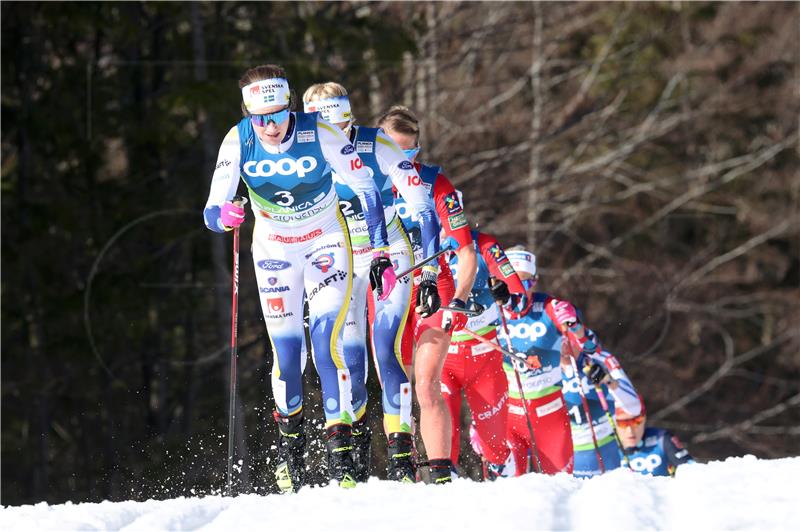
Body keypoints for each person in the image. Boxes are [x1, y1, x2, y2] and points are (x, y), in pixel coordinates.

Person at [203, 65, 394, 493]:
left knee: (327, 342)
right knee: (288, 356)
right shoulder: (239, 139)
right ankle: (290, 455)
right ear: (247, 114)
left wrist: (380, 251)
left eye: (275, 114)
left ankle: (340, 455)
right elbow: (212, 207)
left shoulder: (319, 132)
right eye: (259, 117)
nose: (269, 126)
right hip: (274, 250)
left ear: (289, 107)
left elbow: (366, 187)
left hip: (326, 240)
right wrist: (222, 215)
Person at [302, 82, 440, 483]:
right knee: (347, 355)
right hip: (339, 255)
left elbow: (422, 206)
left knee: (386, 346)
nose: (337, 139)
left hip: (390, 252)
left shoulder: (376, 144)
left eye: (343, 126)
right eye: (327, 129)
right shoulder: (304, 148)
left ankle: (400, 456)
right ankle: (351, 449)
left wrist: (428, 272)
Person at [378, 105, 478, 484]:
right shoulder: (363, 182)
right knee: (394, 381)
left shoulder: (435, 183)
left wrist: (460, 299)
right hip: (387, 290)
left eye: (410, 153)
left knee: (426, 382)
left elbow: (466, 253)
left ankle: (439, 471)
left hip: (433, 288)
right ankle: (403, 464)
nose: (402, 162)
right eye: (393, 151)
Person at [442, 229, 527, 479]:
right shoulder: (427, 243)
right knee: (444, 428)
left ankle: (499, 469)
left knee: (494, 441)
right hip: (443, 353)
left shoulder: (486, 244)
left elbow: (519, 301)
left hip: (484, 354)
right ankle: (443, 473)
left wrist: (505, 295)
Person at [492, 246, 576, 476]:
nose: (518, 291)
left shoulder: (549, 308)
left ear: (535, 282)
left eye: (525, 283)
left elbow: (579, 350)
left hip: (549, 414)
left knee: (559, 487)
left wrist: (573, 331)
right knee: (508, 490)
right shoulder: (489, 312)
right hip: (507, 416)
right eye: (512, 283)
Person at [560, 343, 641, 478]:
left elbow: (634, 407)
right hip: (573, 457)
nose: (563, 346)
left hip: (610, 449)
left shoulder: (599, 360)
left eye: (566, 339)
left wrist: (608, 380)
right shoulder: (547, 367)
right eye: (558, 339)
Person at [616, 398, 695, 477]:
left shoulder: (661, 439)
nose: (630, 430)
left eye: (636, 421)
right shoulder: (606, 449)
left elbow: (693, 473)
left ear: (644, 418)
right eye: (622, 423)